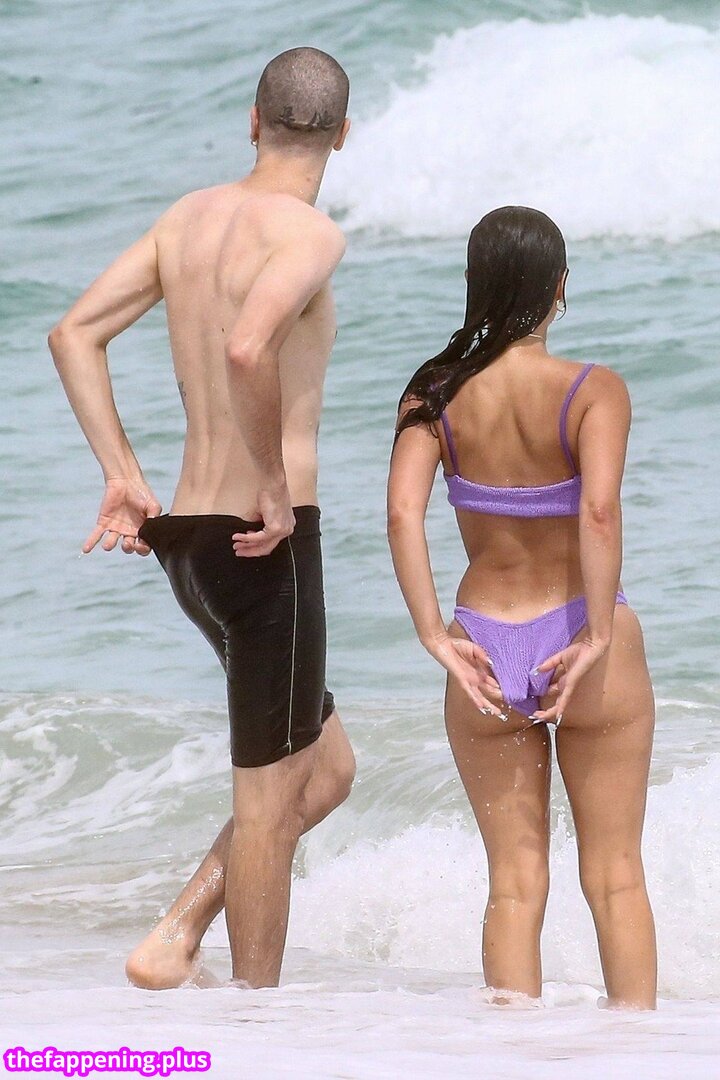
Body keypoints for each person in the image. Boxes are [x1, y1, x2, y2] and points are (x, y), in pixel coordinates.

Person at [48, 47, 356, 990]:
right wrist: (273, 482)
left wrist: (122, 473)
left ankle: (178, 932)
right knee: (269, 807)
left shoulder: (186, 218)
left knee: (326, 771)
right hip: (264, 539)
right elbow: (248, 346)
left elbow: (74, 333)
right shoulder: (310, 234)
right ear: (343, 135)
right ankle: (258, 1021)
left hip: (185, 539)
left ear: (253, 121)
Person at [387, 206, 657, 1009]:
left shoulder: (435, 393)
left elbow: (402, 515)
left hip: (483, 646)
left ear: (478, 284)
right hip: (583, 637)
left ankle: (510, 1054)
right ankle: (639, 1053)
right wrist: (598, 632)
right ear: (559, 285)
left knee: (512, 882)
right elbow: (598, 512)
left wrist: (433, 635)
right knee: (615, 876)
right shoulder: (592, 391)